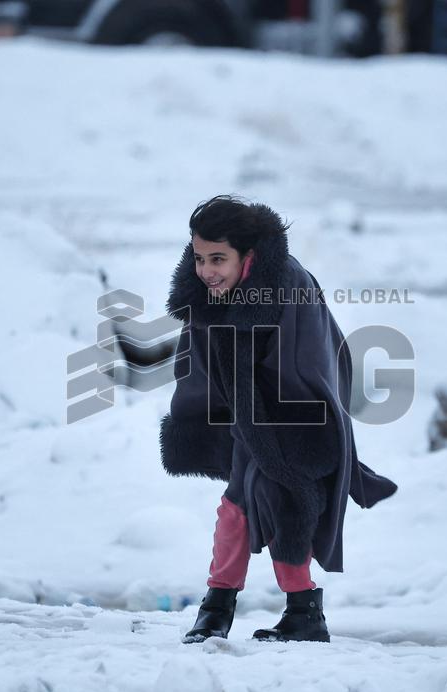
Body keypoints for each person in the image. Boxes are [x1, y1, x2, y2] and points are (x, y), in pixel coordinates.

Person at [159, 195, 397, 643]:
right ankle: (299, 612)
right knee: (250, 502)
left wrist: (282, 438)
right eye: (199, 258)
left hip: (295, 418)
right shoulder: (210, 297)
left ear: (247, 255)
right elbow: (200, 364)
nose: (206, 270)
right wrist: (205, 422)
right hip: (249, 420)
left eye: (217, 259)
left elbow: (310, 365)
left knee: (261, 499)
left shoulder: (285, 288)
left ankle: (222, 608)